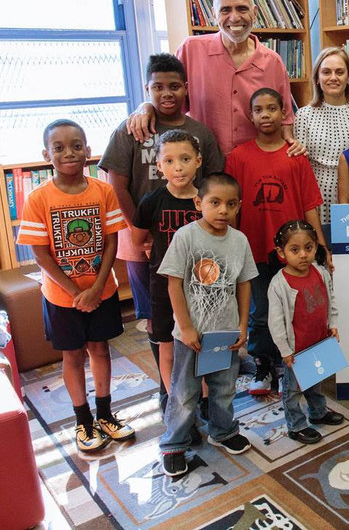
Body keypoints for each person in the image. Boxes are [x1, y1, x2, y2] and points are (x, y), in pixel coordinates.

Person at [100, 53, 223, 406]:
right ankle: (168, 388)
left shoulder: (200, 133)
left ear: (186, 88)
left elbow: (214, 183)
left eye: (174, 86)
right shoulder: (131, 130)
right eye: (157, 87)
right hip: (145, 244)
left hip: (196, 244)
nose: (166, 93)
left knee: (202, 314)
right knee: (157, 321)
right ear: (147, 89)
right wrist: (140, 228)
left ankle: (201, 387)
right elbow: (116, 185)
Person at [18, 119, 135, 453]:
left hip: (102, 292)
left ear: (88, 151)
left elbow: (112, 243)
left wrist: (96, 288)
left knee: (100, 349)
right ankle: (83, 421)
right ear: (46, 154)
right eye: (59, 147)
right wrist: (75, 293)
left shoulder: (103, 190)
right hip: (61, 298)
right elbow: (40, 254)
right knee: (72, 355)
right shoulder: (38, 198)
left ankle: (105, 414)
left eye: (76, 145)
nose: (69, 152)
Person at [225, 87, 328, 396]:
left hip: (296, 253)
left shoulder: (295, 156)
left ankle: (307, 375)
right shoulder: (239, 157)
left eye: (272, 108)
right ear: (250, 115)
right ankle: (265, 364)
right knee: (260, 312)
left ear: (284, 113)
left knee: (305, 311)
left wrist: (321, 247)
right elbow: (230, 208)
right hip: (255, 250)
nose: (265, 114)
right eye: (259, 109)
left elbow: (310, 205)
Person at [157, 172, 258, 476]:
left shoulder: (239, 241)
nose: (223, 210)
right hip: (192, 335)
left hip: (225, 333)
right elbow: (174, 284)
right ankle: (174, 444)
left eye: (230, 204)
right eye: (215, 203)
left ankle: (223, 431)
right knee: (184, 392)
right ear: (199, 202)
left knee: (224, 387)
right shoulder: (186, 236)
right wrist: (185, 327)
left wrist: (243, 325)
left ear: (238, 206)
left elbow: (244, 285)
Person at [126, 0, 297, 156]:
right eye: (225, 10)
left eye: (242, 9)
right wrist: (146, 106)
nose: (235, 18)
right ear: (214, 15)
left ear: (254, 13)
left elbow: (285, 121)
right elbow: (168, 95)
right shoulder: (190, 49)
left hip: (254, 164)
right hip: (203, 163)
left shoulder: (273, 62)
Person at [131, 130, 206, 411]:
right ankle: (175, 400)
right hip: (163, 287)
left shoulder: (206, 201)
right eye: (170, 160)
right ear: (159, 166)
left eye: (185, 159)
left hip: (203, 288)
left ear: (198, 161)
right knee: (167, 345)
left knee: (202, 346)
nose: (178, 167)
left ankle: (205, 400)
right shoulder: (152, 201)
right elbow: (139, 240)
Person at [267, 220, 345, 444]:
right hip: (296, 350)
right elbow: (276, 322)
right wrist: (284, 350)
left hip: (318, 342)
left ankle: (318, 412)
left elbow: (331, 300)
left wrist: (333, 324)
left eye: (308, 248)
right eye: (295, 249)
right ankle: (296, 425)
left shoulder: (320, 272)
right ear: (281, 252)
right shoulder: (278, 284)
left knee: (315, 381)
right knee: (293, 390)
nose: (303, 255)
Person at [294, 47, 349, 228]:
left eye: (340, 72)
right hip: (316, 195)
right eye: (326, 72)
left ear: (348, 78)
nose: (333, 77)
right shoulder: (304, 115)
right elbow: (301, 165)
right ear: (317, 78)